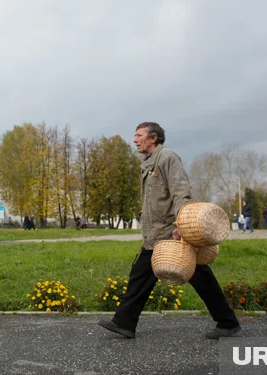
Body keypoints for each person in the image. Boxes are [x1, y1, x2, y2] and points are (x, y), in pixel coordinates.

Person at [98, 122, 240, 340]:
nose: (135, 140)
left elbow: (181, 192)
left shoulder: (167, 158)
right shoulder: (148, 163)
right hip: (155, 234)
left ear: (153, 138)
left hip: (169, 232)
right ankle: (124, 322)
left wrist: (181, 225)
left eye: (139, 135)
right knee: (140, 275)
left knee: (199, 275)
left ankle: (227, 322)